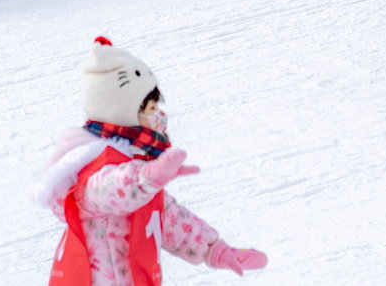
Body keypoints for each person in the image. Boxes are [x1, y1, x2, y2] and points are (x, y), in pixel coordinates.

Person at [36, 36, 269, 283]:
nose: (159, 116)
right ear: (123, 111)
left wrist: (215, 251)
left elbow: (168, 217)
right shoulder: (93, 162)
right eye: (149, 109)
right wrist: (144, 178)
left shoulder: (135, 158)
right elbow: (108, 191)